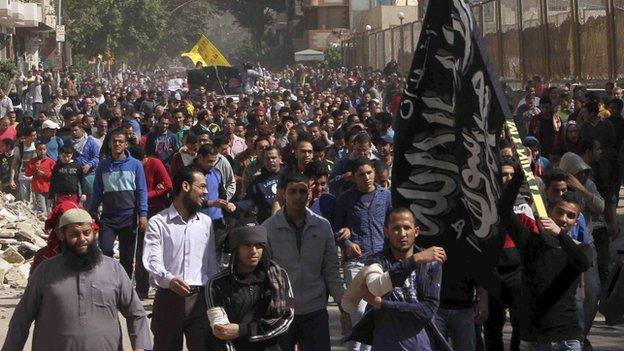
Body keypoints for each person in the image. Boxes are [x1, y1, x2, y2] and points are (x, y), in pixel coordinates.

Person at [2, 208, 152, 351]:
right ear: (61, 235)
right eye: (74, 234)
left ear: (94, 232)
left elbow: (136, 314)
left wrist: (140, 347)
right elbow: (21, 320)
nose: (82, 239)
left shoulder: (113, 269)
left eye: (86, 233)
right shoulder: (45, 271)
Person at [501, 166, 592, 351]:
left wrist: (560, 234)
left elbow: (583, 262)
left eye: (570, 216)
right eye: (559, 212)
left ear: (576, 221)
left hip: (568, 337)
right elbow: (504, 209)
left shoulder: (580, 247)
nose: (564, 219)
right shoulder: (530, 241)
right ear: (549, 211)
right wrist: (522, 171)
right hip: (534, 337)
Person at [262, 172, 347, 351]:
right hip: (281, 311)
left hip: (315, 309)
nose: (298, 196)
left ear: (309, 194)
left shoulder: (322, 226)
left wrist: (343, 305)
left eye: (302, 191)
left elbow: (331, 270)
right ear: (283, 193)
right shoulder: (268, 228)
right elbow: (263, 272)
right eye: (293, 192)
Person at [343, 207, 447, 351]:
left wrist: (383, 304)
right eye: (396, 228)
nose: (402, 234)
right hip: (385, 343)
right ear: (387, 232)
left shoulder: (430, 263)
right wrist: (414, 260)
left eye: (407, 228)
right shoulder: (376, 261)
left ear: (416, 231)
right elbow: (376, 286)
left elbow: (428, 309)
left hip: (420, 345)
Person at [143, 166, 218, 351]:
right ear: (185, 186)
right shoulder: (158, 223)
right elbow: (151, 260)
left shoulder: (206, 223)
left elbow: (210, 264)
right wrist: (170, 279)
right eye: (201, 186)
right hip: (169, 299)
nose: (205, 192)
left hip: (200, 300)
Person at [333, 157, 392, 351]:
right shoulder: (345, 199)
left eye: (369, 173)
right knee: (357, 311)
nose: (366, 177)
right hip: (356, 262)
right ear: (353, 177)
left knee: (375, 311)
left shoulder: (386, 196)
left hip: (381, 262)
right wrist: (347, 242)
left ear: (375, 173)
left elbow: (393, 224)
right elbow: (336, 231)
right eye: (361, 174)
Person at [206, 224, 295, 351]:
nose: (254, 250)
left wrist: (243, 330)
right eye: (247, 245)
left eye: (259, 245)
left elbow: (286, 318)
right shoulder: (217, 284)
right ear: (236, 248)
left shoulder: (279, 276)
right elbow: (221, 331)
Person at [89, 130, 148, 278]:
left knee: (127, 257)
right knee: (106, 250)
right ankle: (110, 282)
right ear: (109, 144)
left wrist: (143, 214)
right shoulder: (103, 166)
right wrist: (92, 211)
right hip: (108, 217)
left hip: (129, 216)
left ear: (126, 144)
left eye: (120, 141)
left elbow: (141, 190)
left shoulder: (135, 165)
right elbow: (97, 191)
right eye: (114, 141)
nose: (117, 144)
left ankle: (125, 286)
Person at [231, 146, 283, 223]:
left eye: (273, 158)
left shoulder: (289, 176)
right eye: (267, 158)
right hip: (266, 222)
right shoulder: (258, 181)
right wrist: (235, 206)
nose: (271, 161)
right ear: (264, 161)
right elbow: (249, 201)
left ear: (280, 158)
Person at [24, 142, 55, 214]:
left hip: (49, 189)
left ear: (46, 150)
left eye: (44, 149)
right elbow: (27, 174)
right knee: (42, 210)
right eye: (40, 149)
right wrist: (35, 166)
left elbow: (55, 175)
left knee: (50, 210)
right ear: (36, 150)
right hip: (38, 189)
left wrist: (45, 174)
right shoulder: (33, 161)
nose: (42, 151)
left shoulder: (51, 161)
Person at [9, 126, 37, 202]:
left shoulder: (37, 146)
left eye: (35, 135)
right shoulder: (19, 147)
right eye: (32, 136)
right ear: (26, 136)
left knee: (34, 202)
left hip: (35, 178)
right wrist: (12, 179)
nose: (35, 137)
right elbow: (14, 164)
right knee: (24, 201)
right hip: (23, 177)